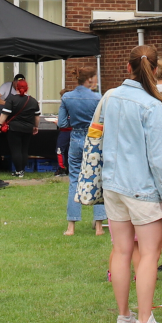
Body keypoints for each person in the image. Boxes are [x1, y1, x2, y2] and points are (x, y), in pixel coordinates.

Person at [98, 44, 162, 323]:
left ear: (128, 67)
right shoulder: (152, 105)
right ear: (154, 70)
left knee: (121, 250)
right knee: (148, 254)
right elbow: (157, 159)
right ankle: (144, 322)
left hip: (113, 185)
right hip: (141, 188)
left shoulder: (110, 97)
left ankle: (125, 316)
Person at [59, 67, 105, 235]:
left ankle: (71, 226)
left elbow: (62, 123)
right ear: (89, 80)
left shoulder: (67, 97)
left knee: (74, 180)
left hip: (76, 138)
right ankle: (99, 226)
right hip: (94, 138)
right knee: (97, 178)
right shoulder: (98, 98)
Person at [0, 77, 39, 179]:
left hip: (14, 128)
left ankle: (18, 171)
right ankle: (22, 170)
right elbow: (36, 117)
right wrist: (36, 127)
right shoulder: (33, 101)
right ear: (27, 88)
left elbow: (4, 114)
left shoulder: (11, 99)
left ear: (16, 87)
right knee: (24, 150)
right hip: (28, 128)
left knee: (16, 150)